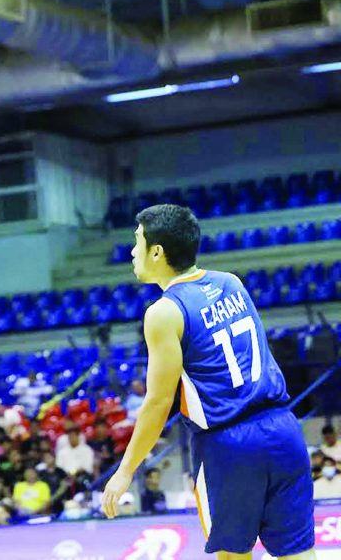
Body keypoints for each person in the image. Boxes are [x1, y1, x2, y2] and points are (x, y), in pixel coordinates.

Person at [102, 204, 314, 560]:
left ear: (157, 251)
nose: (132, 251)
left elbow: (157, 403)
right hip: (283, 430)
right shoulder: (231, 282)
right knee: (300, 555)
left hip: (229, 444)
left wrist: (125, 471)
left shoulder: (164, 312)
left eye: (137, 241)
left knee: (233, 556)